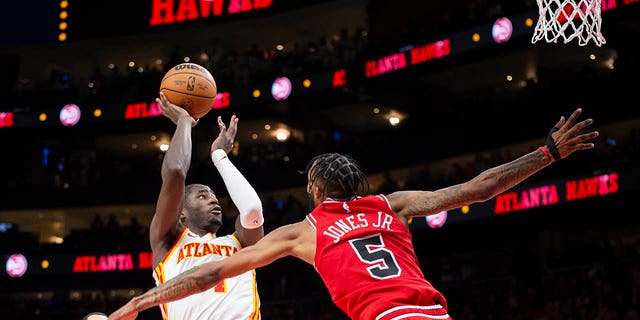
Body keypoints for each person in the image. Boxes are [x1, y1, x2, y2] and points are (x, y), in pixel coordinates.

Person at [108, 108, 598, 320]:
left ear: (315, 190)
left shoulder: (304, 231)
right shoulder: (394, 204)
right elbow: (480, 187)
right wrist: (547, 153)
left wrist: (138, 303)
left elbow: (210, 271)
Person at [146, 92, 264, 320]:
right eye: (202, 196)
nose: (213, 199)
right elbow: (174, 172)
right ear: (181, 212)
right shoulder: (168, 243)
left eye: (213, 196)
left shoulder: (239, 242)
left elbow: (252, 210)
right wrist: (183, 122)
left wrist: (219, 156)